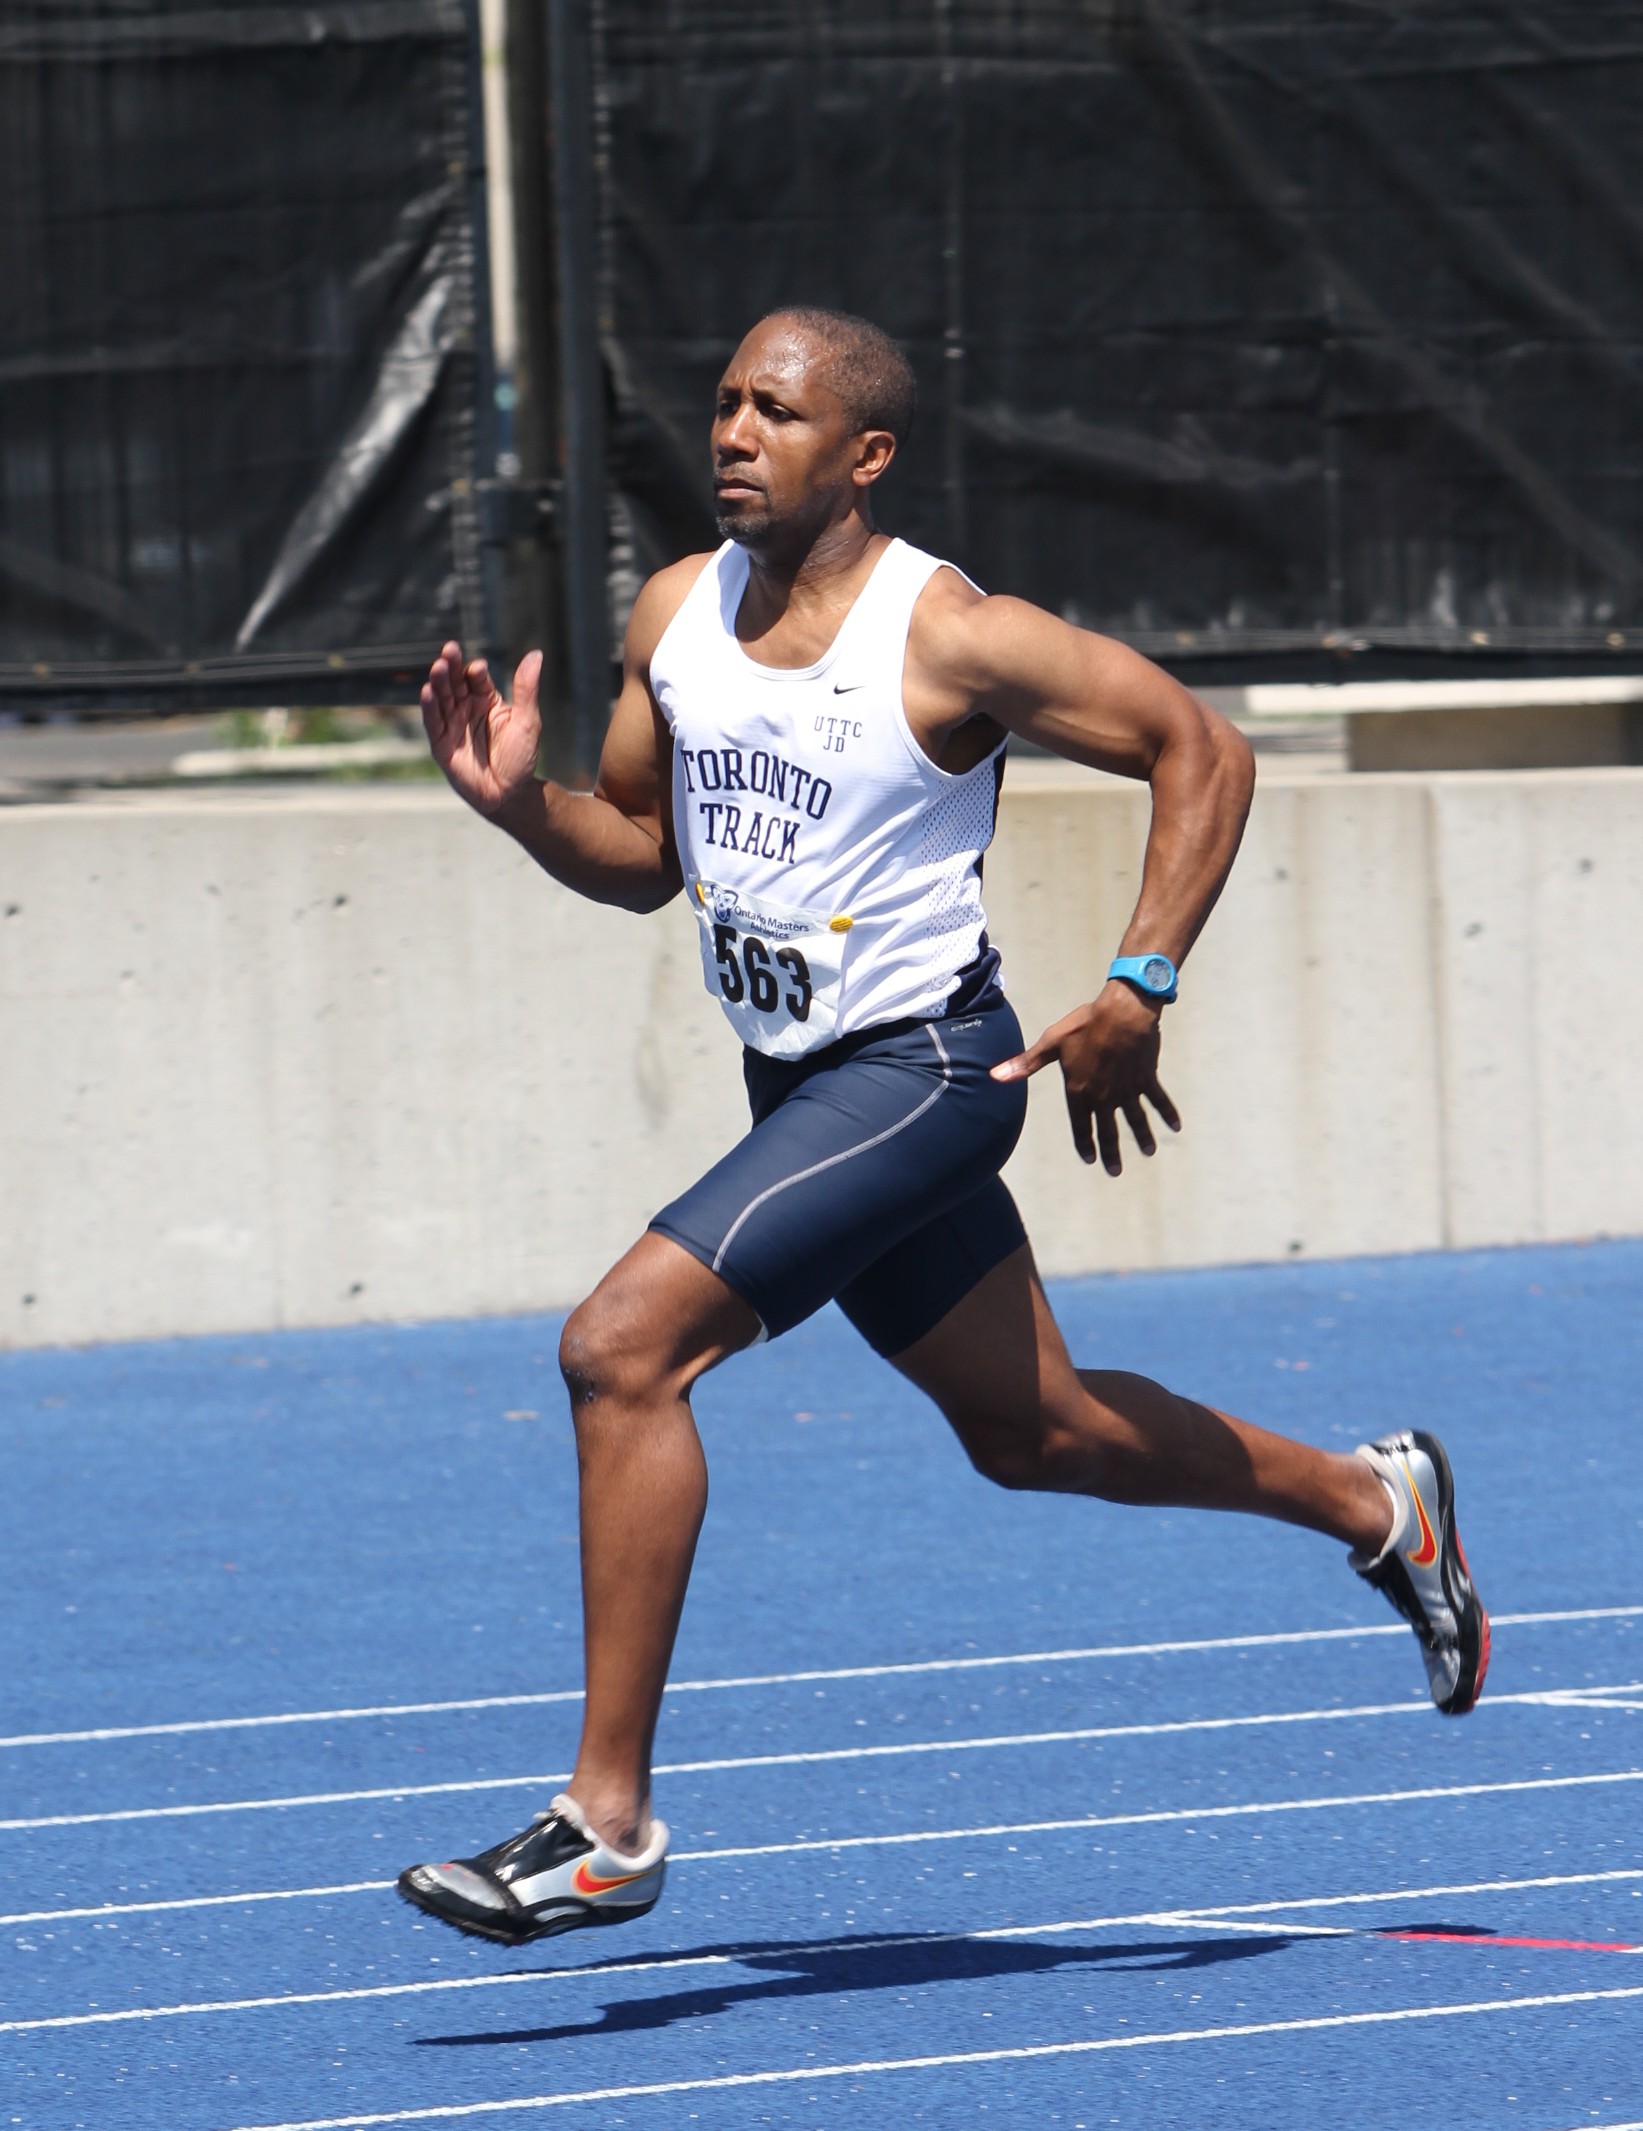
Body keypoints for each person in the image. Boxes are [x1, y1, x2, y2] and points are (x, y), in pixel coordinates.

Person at [398, 307, 1489, 1949]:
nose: (734, 433)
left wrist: (1138, 980)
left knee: (621, 1350)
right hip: (800, 1086)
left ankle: (605, 1826)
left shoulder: (953, 636)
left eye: (775, 412)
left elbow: (1202, 747)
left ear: (866, 455)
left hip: (921, 1078)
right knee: (1037, 1432)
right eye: (725, 403)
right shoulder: (676, 614)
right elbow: (640, 854)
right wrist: (520, 806)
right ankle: (1374, 1503)